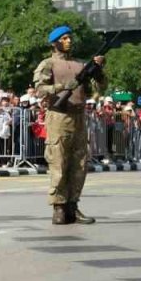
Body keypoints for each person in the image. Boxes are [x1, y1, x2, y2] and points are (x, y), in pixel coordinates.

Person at [32, 25, 105, 224]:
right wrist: (62, 87)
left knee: (79, 164)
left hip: (79, 116)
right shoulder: (48, 64)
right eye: (64, 38)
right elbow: (40, 89)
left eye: (70, 38)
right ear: (54, 43)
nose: (69, 41)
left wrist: (98, 71)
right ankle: (59, 206)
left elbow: (99, 88)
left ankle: (73, 205)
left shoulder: (80, 64)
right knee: (59, 162)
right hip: (59, 116)